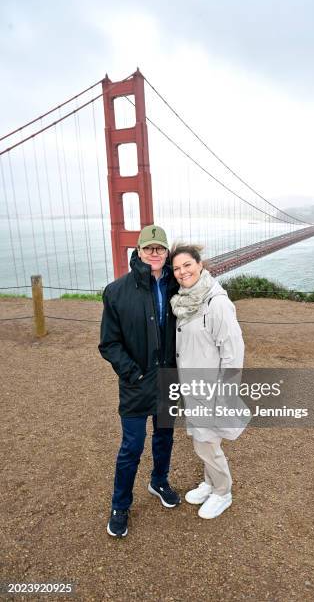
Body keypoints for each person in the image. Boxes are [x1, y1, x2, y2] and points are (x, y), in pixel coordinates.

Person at [99, 225, 181, 538]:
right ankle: (120, 505)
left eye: (160, 248)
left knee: (164, 439)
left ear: (166, 252)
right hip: (137, 381)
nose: (155, 253)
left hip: (169, 377)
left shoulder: (180, 285)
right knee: (132, 446)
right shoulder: (117, 291)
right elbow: (109, 343)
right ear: (139, 250)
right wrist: (132, 372)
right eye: (149, 248)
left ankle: (159, 481)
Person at [170, 244, 245, 519]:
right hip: (193, 385)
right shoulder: (185, 300)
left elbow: (233, 351)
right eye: (177, 268)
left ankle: (223, 492)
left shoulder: (217, 303)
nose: (182, 272)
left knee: (205, 443)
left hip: (212, 388)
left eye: (187, 265)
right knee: (206, 440)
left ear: (200, 264)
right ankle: (211, 483)